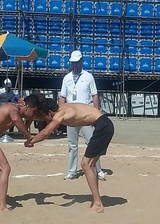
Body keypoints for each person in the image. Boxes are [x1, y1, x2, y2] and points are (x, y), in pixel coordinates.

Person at [26, 99, 114, 213]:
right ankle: (96, 201)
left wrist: (31, 141)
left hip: (103, 127)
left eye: (45, 116)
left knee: (85, 164)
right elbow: (43, 118)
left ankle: (98, 204)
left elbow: (46, 132)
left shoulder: (59, 114)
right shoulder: (63, 107)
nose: (46, 120)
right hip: (103, 125)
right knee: (90, 165)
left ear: (50, 112)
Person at [59, 50, 105, 181]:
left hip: (86, 115)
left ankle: (98, 169)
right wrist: (61, 113)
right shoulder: (66, 78)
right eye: (72, 63)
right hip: (71, 116)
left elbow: (95, 95)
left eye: (76, 63)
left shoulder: (88, 77)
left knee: (92, 143)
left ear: (81, 62)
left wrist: (97, 114)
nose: (74, 65)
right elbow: (62, 97)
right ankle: (71, 171)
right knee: (72, 144)